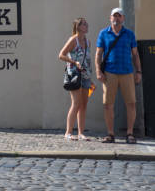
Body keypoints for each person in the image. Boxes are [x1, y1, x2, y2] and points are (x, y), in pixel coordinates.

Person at [95, 8, 142, 144]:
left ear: (123, 18)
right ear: (110, 18)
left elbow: (135, 54)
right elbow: (98, 54)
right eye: (114, 16)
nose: (116, 19)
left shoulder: (129, 34)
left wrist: (138, 71)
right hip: (109, 73)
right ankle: (110, 134)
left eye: (119, 16)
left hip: (127, 72)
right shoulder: (103, 33)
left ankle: (130, 133)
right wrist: (98, 71)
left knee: (131, 103)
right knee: (108, 104)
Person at [58, 17, 92, 141]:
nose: (86, 25)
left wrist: (90, 76)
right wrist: (74, 62)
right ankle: (68, 132)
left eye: (86, 23)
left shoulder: (88, 42)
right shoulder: (74, 40)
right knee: (76, 103)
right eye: (84, 24)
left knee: (84, 104)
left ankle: (81, 133)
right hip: (74, 75)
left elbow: (88, 61)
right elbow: (61, 55)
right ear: (78, 27)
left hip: (86, 75)